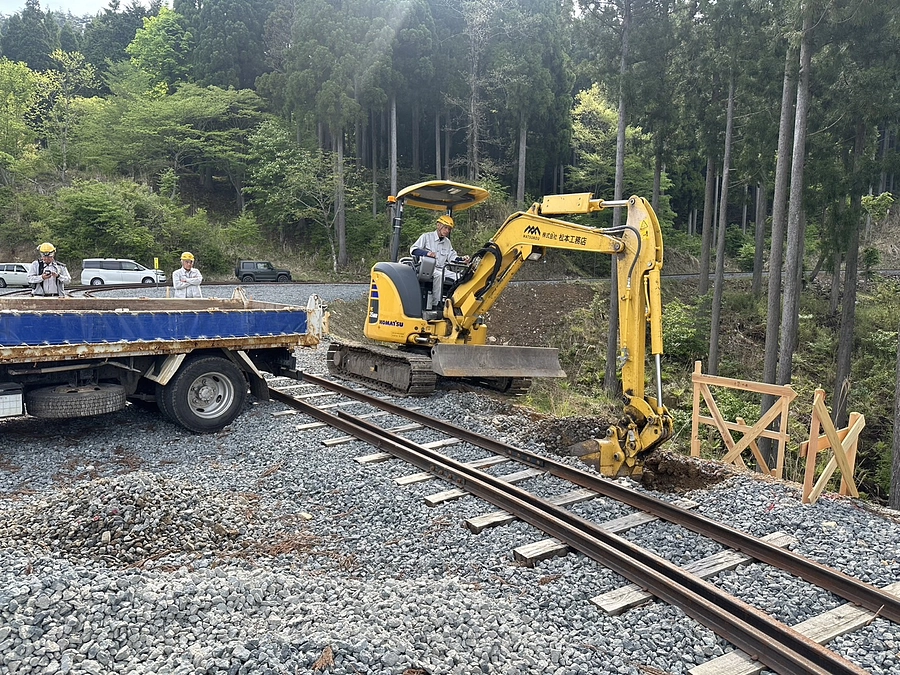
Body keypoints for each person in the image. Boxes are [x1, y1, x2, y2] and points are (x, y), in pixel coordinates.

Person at [410, 214, 469, 309]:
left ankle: (452, 303)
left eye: (449, 229)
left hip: (441, 268)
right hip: (426, 267)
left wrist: (462, 259)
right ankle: (436, 304)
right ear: (438, 225)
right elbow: (413, 250)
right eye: (445, 228)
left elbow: (452, 257)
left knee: (459, 277)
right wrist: (427, 253)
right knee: (438, 275)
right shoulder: (426, 237)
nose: (447, 231)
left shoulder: (447, 242)